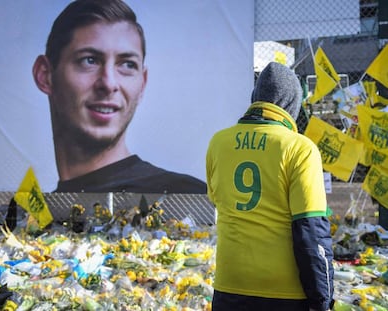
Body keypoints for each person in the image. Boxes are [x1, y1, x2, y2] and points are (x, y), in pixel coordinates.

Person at [32, 0, 206, 194]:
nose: (109, 84)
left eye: (127, 65)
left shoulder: (190, 201)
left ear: (142, 84)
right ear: (45, 75)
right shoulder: (33, 217)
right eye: (89, 60)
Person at [206, 62, 334, 311]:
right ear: (292, 105)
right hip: (284, 292)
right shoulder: (300, 148)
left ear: (255, 98)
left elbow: (217, 200)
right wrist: (323, 300)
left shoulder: (218, 143)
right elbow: (312, 233)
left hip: (229, 285)